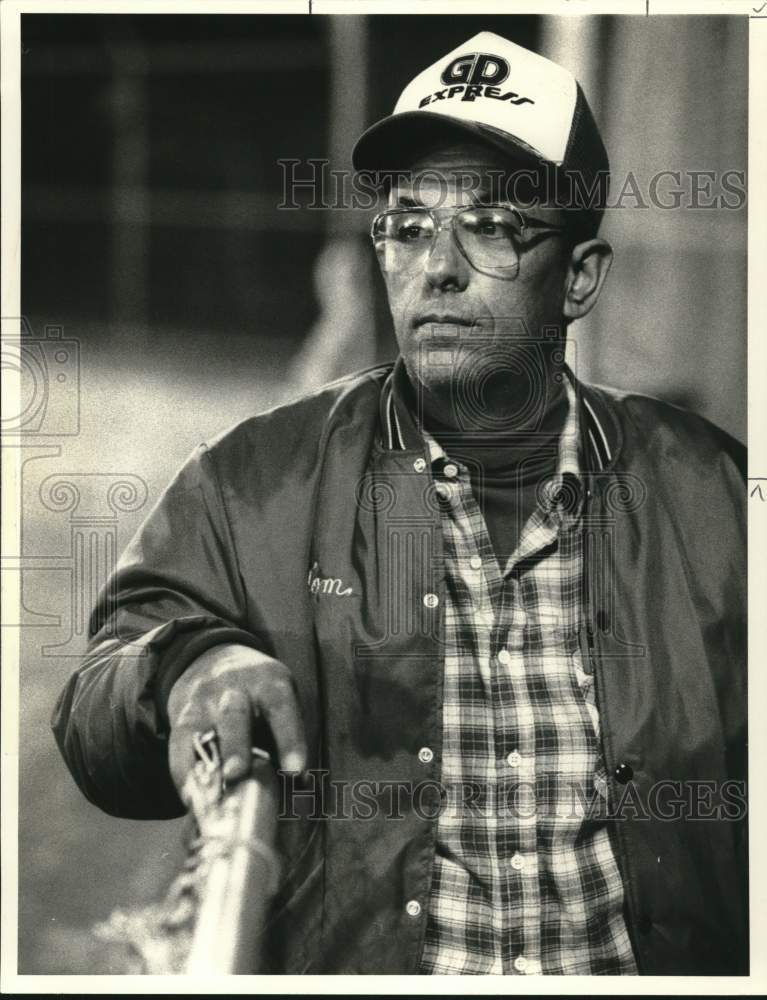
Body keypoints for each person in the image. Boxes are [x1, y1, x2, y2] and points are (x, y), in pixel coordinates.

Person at [52, 31, 747, 976]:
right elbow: (97, 704)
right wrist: (183, 664)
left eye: (494, 225)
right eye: (408, 225)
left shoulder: (706, 490)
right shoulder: (259, 477)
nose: (438, 266)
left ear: (579, 277)